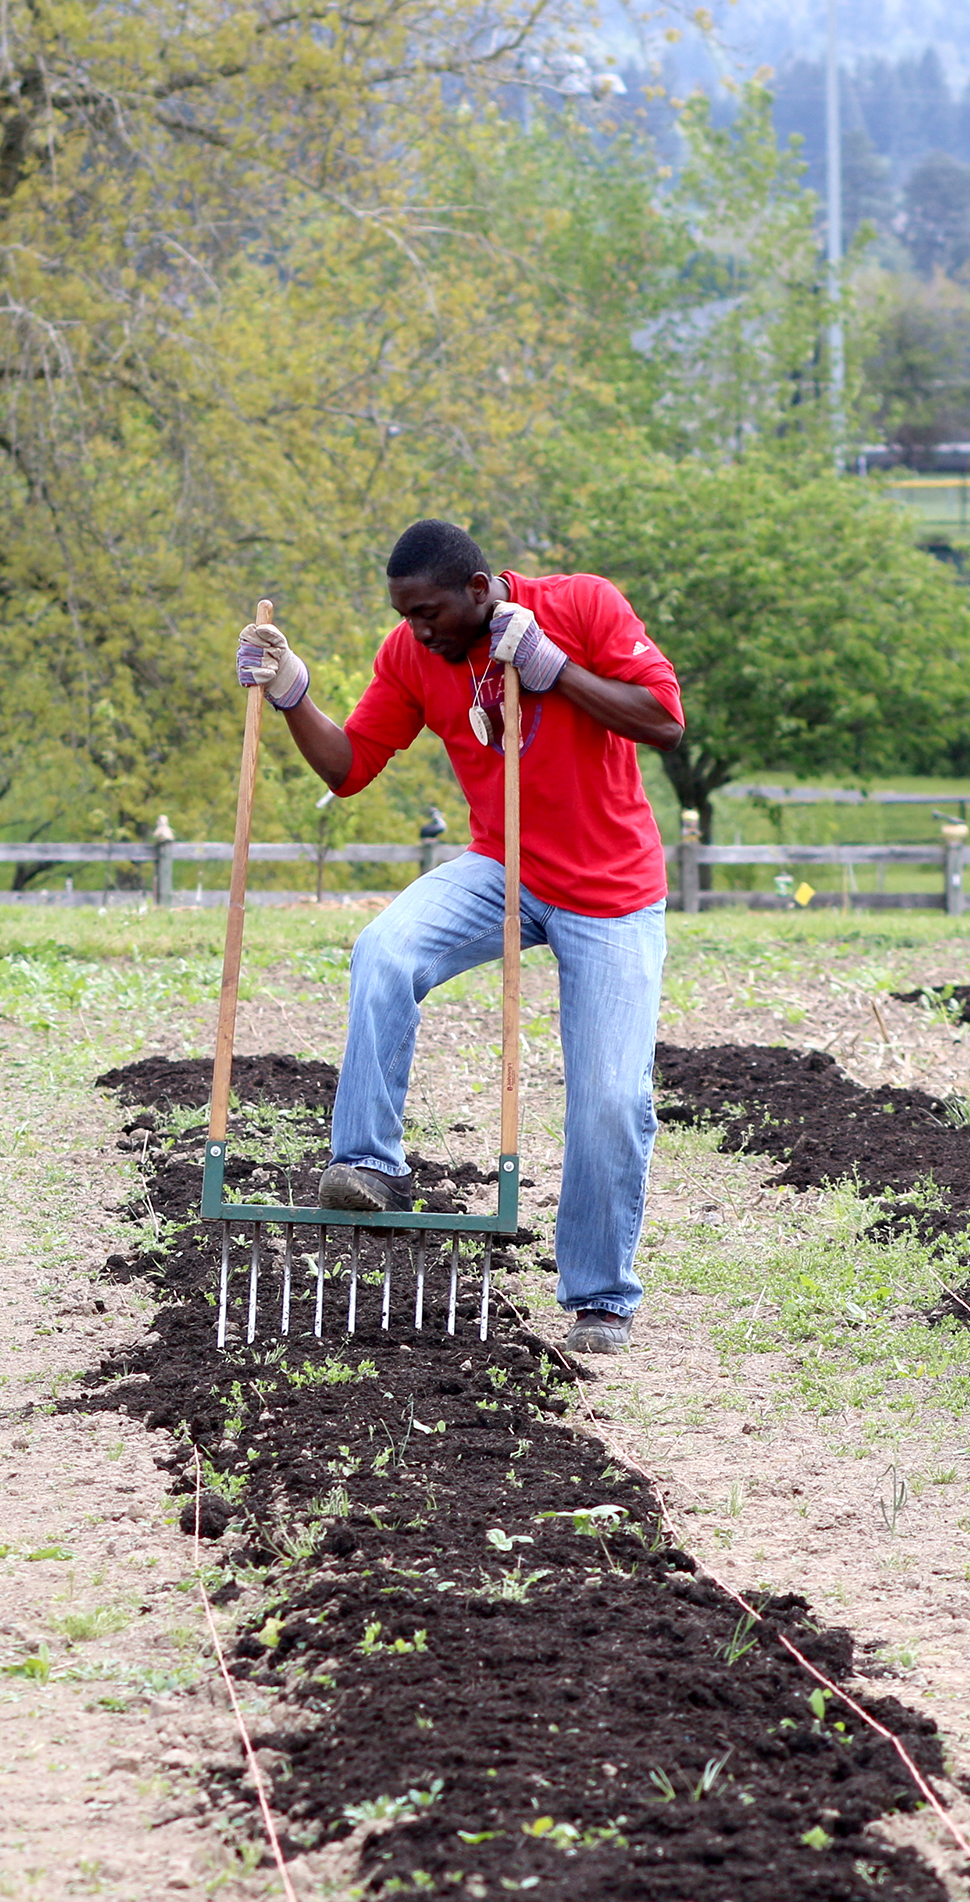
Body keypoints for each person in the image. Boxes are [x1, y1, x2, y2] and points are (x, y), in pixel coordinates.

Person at [235, 520, 684, 1355]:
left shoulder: (582, 604)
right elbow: (351, 766)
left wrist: (557, 671)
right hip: (502, 868)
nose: (417, 630)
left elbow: (663, 720)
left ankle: (599, 1296)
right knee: (384, 947)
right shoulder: (413, 657)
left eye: (429, 612)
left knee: (610, 1098)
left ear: (480, 590)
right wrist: (294, 690)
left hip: (613, 890)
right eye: (405, 614)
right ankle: (370, 1164)